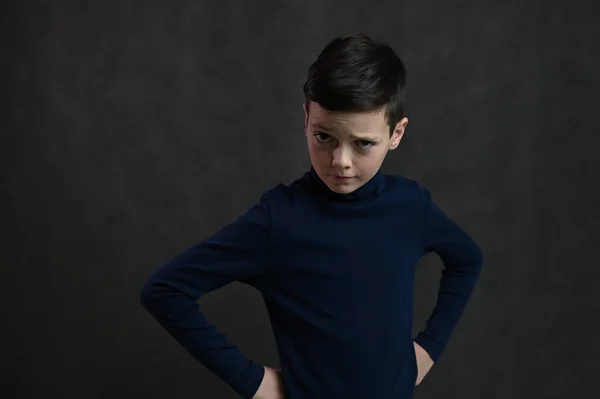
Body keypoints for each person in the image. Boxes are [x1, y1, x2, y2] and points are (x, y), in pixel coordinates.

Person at [140, 32, 484, 399]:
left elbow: (467, 259)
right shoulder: (279, 220)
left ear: (396, 133)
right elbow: (165, 291)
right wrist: (252, 381)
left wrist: (429, 347)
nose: (341, 161)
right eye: (325, 137)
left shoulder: (410, 207)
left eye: (363, 143)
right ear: (306, 117)